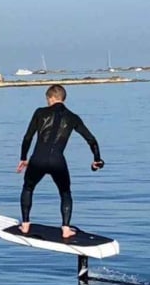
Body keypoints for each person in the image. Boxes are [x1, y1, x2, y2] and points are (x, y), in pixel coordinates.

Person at [16, 84, 103, 238]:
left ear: (51, 98)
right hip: (58, 162)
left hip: (37, 159)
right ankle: (65, 229)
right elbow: (91, 139)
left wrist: (23, 158)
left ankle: (25, 225)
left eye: (47, 99)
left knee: (28, 188)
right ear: (63, 98)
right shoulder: (73, 117)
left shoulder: (40, 112)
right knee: (65, 193)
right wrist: (96, 159)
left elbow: (27, 137)